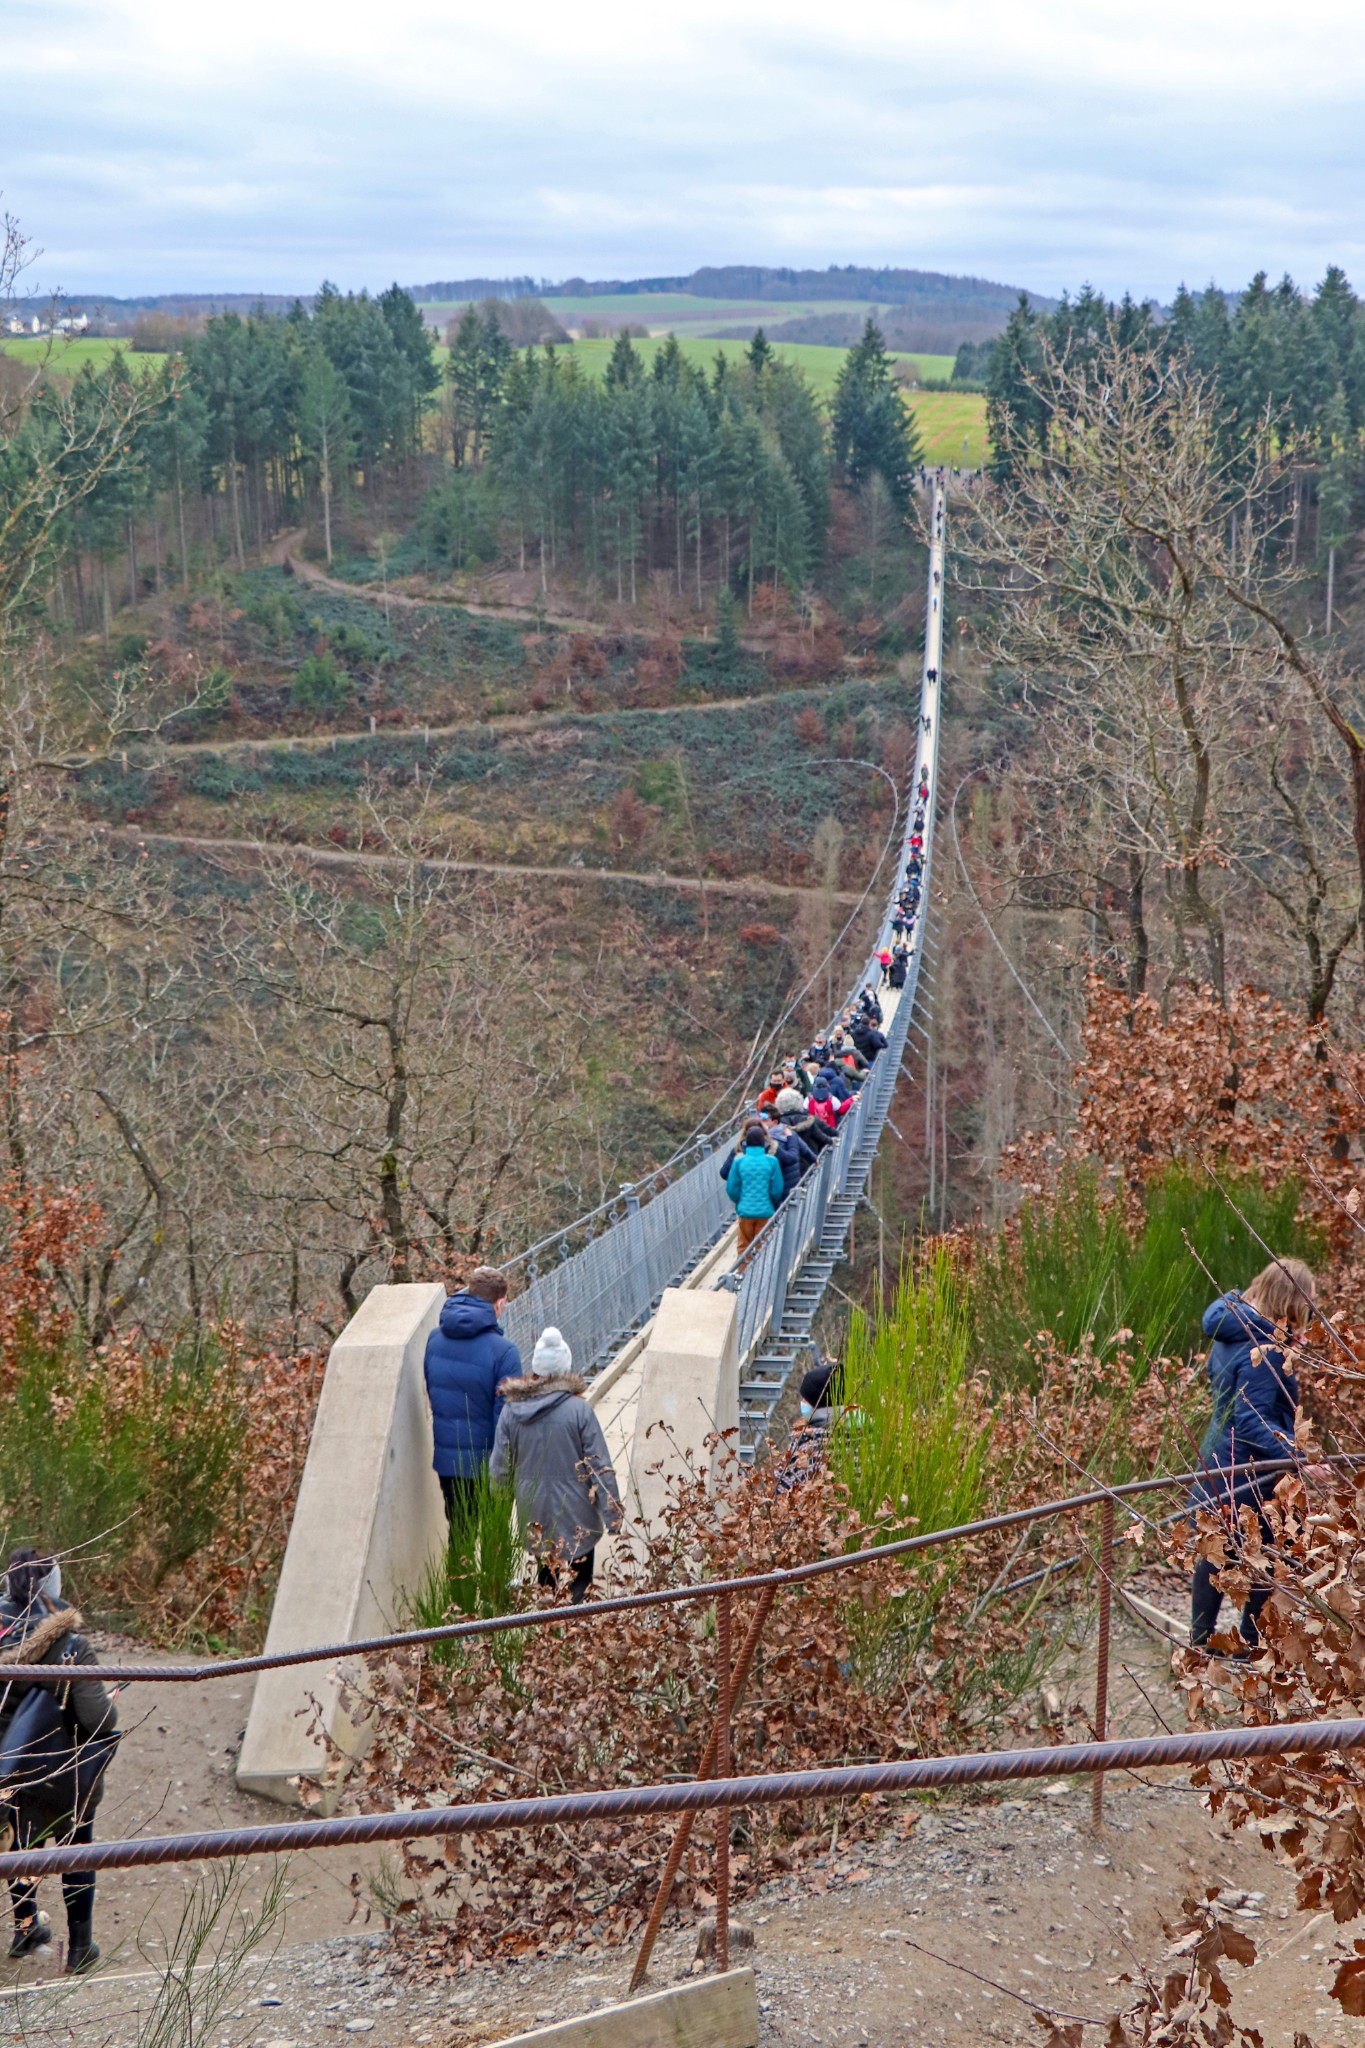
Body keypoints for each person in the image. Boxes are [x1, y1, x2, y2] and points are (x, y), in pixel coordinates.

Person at [1189, 1258, 1317, 1651]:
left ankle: (1199, 1644)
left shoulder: (1232, 1331)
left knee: (1214, 1554)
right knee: (1266, 1555)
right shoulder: (1266, 1349)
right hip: (1249, 1472)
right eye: (1307, 1303)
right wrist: (1298, 1458)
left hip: (1216, 1461)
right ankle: (1251, 1649)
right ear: (1290, 1302)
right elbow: (1251, 1420)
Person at [0, 1549, 119, 1971]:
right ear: (54, 1587)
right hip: (62, 1772)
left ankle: (26, 1926)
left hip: (6, 1775)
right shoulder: (71, 1647)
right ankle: (81, 1946)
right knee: (76, 1848)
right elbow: (98, 1718)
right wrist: (111, 1701)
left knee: (19, 1845)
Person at [489, 1329, 622, 1603]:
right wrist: (613, 1515)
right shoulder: (579, 1411)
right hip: (579, 1516)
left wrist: (497, 1514)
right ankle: (574, 1633)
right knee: (579, 1583)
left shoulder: (511, 1412)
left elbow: (500, 1467)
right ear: (564, 1368)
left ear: (535, 1370)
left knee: (545, 1582)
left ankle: (547, 1633)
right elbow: (599, 1466)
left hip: (534, 1513)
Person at [422, 1267, 522, 1525]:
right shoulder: (505, 1353)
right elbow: (507, 1419)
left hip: (447, 1462)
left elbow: (433, 1394)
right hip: (488, 1466)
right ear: (499, 1304)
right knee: (495, 1545)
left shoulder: (434, 1340)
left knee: (460, 1538)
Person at [726, 1122, 784, 1252]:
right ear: (764, 1142)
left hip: (745, 1212)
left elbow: (731, 1189)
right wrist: (770, 1200)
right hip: (765, 1211)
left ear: (745, 1142)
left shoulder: (738, 1161)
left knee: (744, 1246)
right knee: (762, 1247)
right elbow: (777, 1189)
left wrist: (740, 1201)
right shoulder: (772, 1161)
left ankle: (743, 1272)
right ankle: (761, 1272)